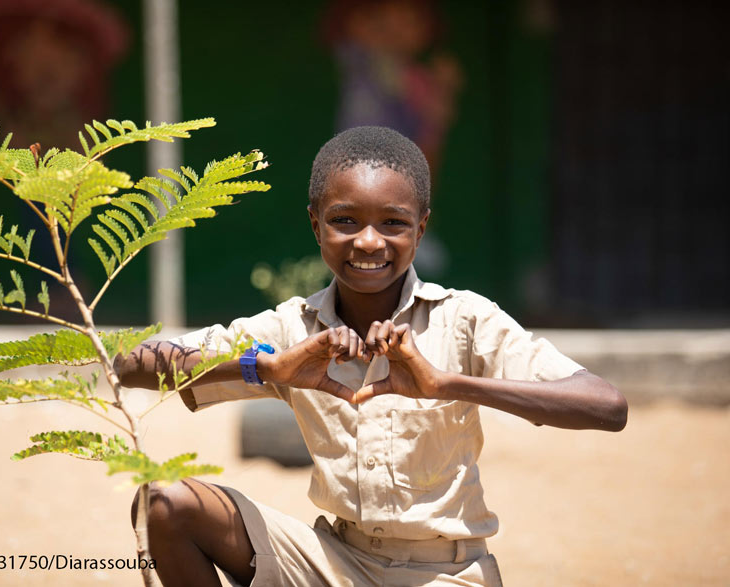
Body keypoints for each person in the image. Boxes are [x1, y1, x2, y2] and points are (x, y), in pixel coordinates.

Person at [115, 126, 628, 587]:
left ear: (420, 230)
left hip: (445, 572)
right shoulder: (292, 331)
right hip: (332, 562)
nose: (367, 241)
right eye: (344, 220)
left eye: (392, 223)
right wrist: (264, 367)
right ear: (315, 225)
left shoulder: (465, 320)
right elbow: (129, 363)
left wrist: (445, 384)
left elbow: (606, 405)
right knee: (165, 504)